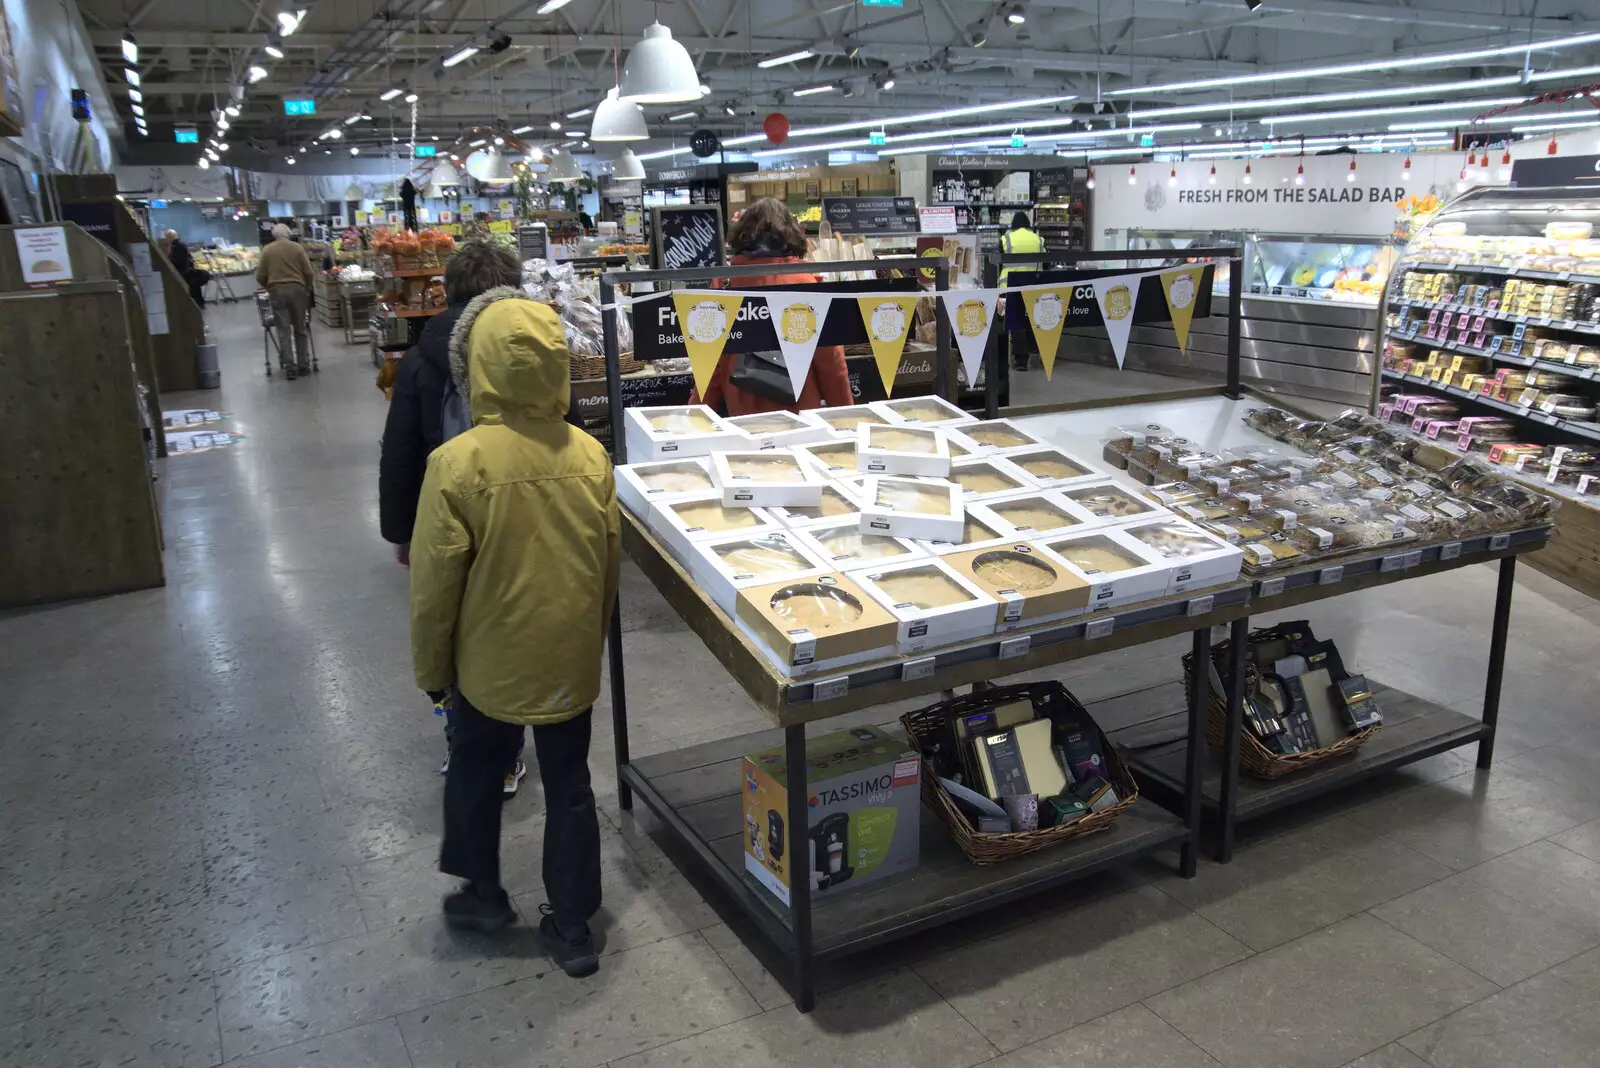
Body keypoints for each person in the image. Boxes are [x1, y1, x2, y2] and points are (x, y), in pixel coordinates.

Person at [409, 284, 618, 977]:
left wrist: (432, 667)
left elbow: (436, 586)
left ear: (480, 368)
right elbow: (606, 565)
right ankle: (572, 926)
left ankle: (484, 891)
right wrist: (593, 635)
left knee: (475, 767)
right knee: (570, 786)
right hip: (566, 656)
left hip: (488, 661)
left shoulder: (457, 464)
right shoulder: (591, 456)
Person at [378, 239, 532, 793]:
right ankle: (508, 748)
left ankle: (469, 746)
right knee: (511, 625)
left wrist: (400, 532)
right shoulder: (531, 351)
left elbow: (398, 451)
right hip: (518, 514)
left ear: (450, 290)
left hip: (445, 514)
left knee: (453, 630)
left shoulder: (421, 359)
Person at [688, 197, 853, 416]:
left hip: (741, 414)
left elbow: (711, 359)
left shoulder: (725, 285)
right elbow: (830, 362)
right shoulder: (806, 284)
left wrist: (694, 414)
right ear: (792, 235)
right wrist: (846, 417)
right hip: (801, 416)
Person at [256, 223, 316, 379]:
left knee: (283, 330)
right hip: (297, 289)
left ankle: (289, 366)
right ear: (288, 234)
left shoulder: (267, 250)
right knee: (300, 328)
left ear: (274, 235)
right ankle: (303, 364)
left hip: (277, 291)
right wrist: (307, 286)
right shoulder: (297, 248)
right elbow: (308, 272)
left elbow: (260, 275)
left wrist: (269, 286)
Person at [1000, 211, 1046, 372]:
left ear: (1013, 225)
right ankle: (1035, 354)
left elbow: (998, 262)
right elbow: (1045, 263)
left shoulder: (1006, 239)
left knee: (1016, 322)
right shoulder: (1038, 239)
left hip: (1010, 287)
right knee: (1033, 321)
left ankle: (1020, 360)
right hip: (1034, 285)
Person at [162, 229, 208, 309]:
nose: (165, 239)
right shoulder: (178, 245)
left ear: (171, 237)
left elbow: (177, 260)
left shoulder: (177, 246)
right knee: (194, 288)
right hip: (186, 271)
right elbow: (188, 259)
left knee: (192, 288)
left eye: (166, 237)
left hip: (183, 272)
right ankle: (199, 304)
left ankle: (197, 304)